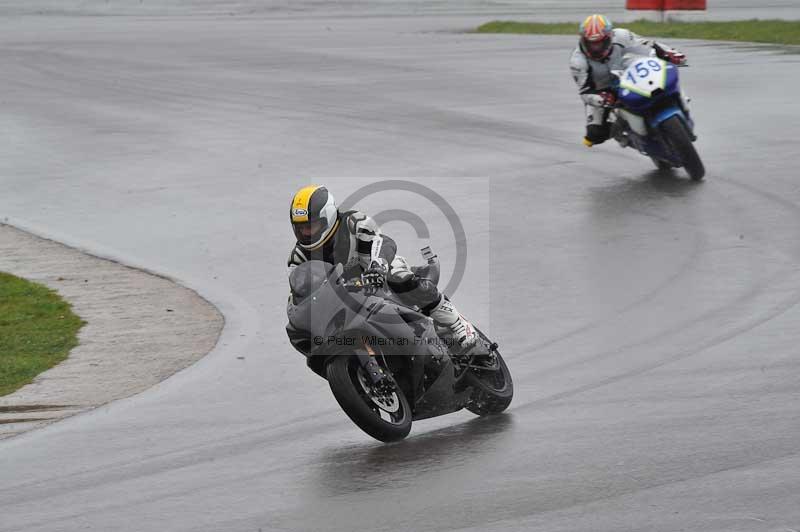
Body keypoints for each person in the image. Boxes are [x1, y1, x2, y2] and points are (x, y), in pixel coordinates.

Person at [287, 184, 477, 349]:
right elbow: (301, 291)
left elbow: (384, 242)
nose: (305, 232)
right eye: (300, 227)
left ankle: (457, 321)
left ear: (327, 218)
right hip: (345, 297)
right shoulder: (298, 257)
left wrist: (378, 267)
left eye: (310, 226)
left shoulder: (353, 222)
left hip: (378, 272)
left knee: (398, 276)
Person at [570, 14, 688, 146]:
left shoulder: (621, 35)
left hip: (629, 74)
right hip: (602, 91)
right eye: (591, 44)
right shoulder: (577, 61)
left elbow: (648, 45)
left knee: (662, 72)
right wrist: (601, 98)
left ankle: (680, 102)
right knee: (594, 135)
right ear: (583, 40)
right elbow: (585, 91)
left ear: (609, 37)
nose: (595, 48)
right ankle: (626, 135)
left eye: (599, 43)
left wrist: (669, 53)